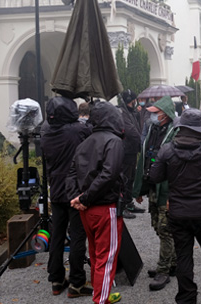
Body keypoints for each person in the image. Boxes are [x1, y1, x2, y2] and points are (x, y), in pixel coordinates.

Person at [149, 109, 201, 304]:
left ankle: (187, 297)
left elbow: (155, 177)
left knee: (184, 255)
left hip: (178, 213)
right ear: (199, 129)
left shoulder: (167, 149)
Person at [67, 101, 124, 304]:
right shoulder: (114, 142)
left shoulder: (85, 142)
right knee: (106, 258)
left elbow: (72, 172)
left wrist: (76, 198)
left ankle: (100, 296)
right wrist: (83, 198)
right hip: (104, 207)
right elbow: (109, 174)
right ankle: (100, 299)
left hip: (86, 210)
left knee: (95, 254)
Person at [40, 97, 92, 297]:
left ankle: (56, 278)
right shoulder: (76, 130)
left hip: (56, 189)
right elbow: (91, 130)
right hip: (74, 190)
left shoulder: (46, 131)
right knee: (78, 236)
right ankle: (77, 282)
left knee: (57, 236)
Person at [132, 96, 178, 291]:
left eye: (155, 113)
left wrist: (172, 196)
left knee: (165, 228)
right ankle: (172, 262)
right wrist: (139, 189)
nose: (151, 116)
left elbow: (176, 167)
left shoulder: (175, 133)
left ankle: (163, 271)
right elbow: (144, 157)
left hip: (165, 188)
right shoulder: (152, 129)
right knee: (157, 226)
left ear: (165, 115)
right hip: (152, 185)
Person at [118, 90, 144, 219]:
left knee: (131, 178)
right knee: (125, 179)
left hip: (132, 150)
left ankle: (128, 203)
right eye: (134, 100)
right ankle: (122, 206)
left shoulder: (131, 112)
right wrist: (142, 142)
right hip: (126, 150)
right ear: (132, 100)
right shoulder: (123, 113)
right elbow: (131, 131)